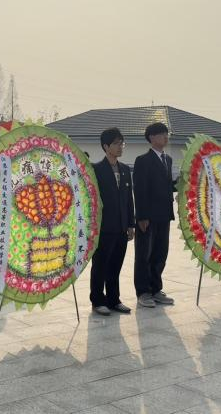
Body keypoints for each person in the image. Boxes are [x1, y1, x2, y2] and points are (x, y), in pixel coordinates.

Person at [90, 128, 135, 315]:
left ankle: (114, 299)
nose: (120, 147)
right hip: (103, 227)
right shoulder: (96, 169)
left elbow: (128, 199)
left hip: (121, 226)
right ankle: (97, 300)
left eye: (121, 143)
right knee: (100, 265)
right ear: (106, 146)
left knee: (116, 265)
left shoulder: (125, 169)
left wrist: (130, 224)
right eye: (116, 143)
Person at [133, 122, 175, 308]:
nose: (166, 137)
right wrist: (141, 216)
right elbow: (139, 189)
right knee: (144, 255)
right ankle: (143, 292)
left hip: (164, 215)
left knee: (160, 253)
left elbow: (167, 185)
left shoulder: (168, 159)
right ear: (151, 137)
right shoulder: (143, 160)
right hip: (148, 217)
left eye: (167, 134)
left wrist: (181, 182)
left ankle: (156, 289)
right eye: (162, 134)